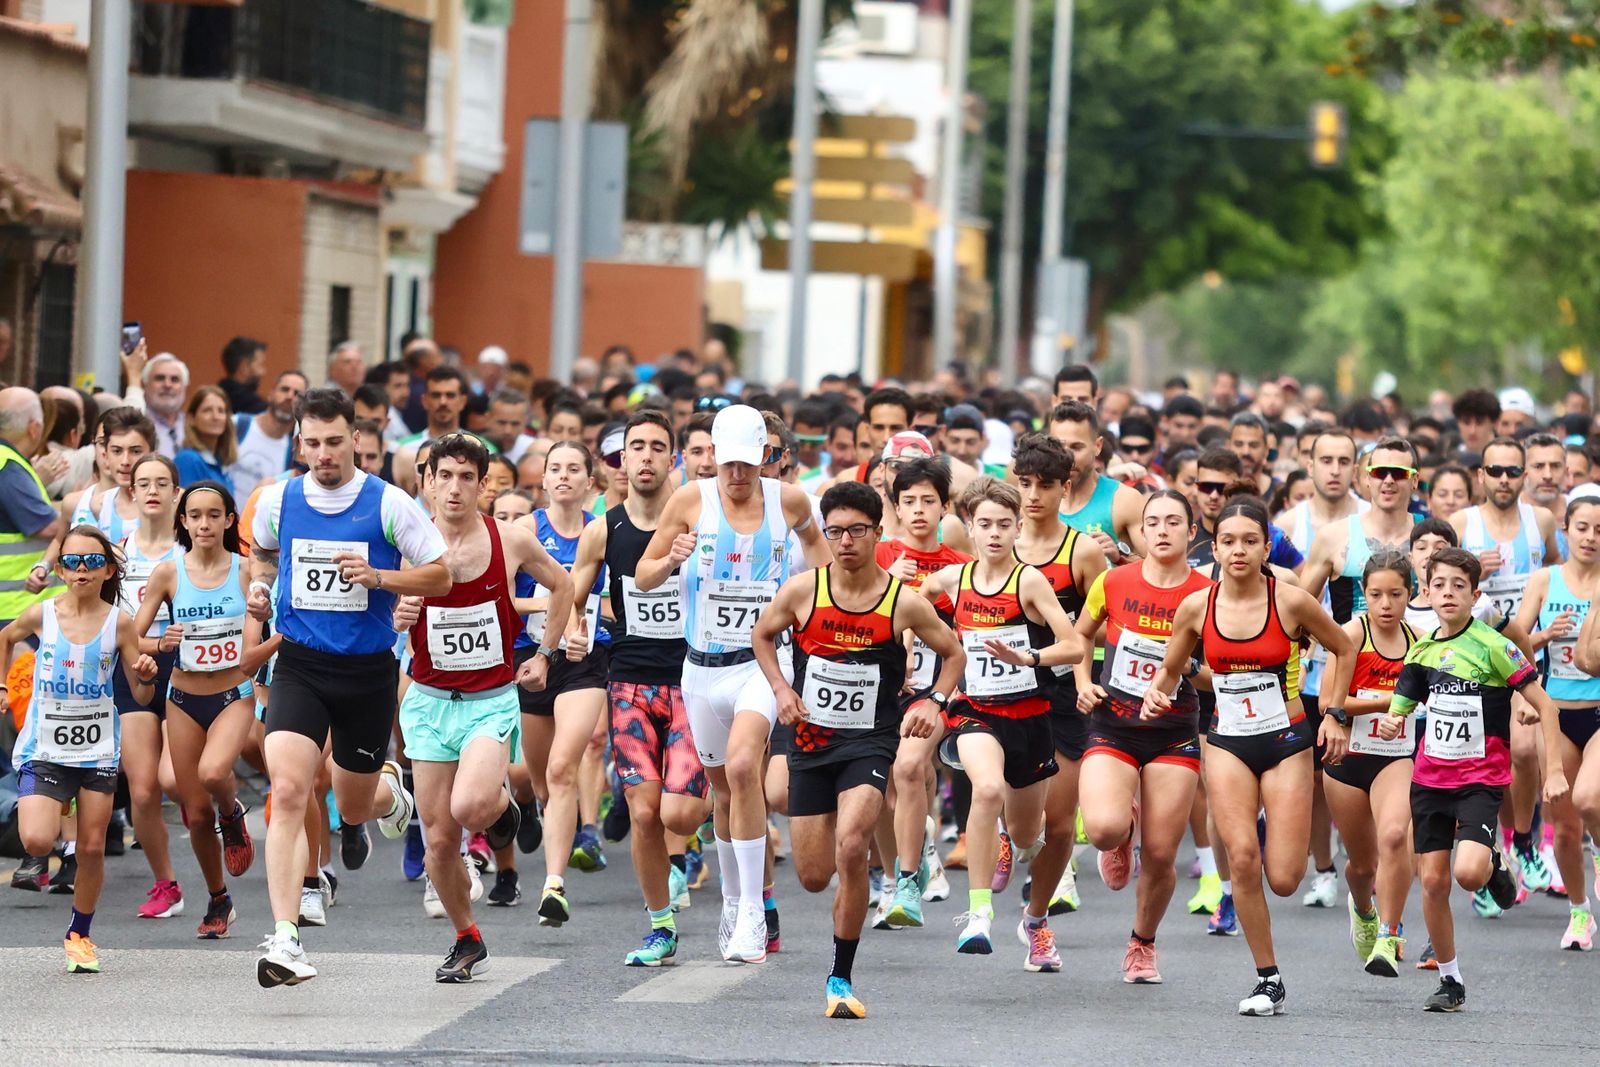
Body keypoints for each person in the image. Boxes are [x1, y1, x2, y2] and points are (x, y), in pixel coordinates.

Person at [247, 388, 455, 988]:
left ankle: (392, 797)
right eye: (312, 443)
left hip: (366, 672)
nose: (324, 454)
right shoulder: (278, 500)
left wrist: (380, 577)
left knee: (356, 805)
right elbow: (261, 553)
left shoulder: (388, 503)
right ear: (299, 444)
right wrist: (260, 586)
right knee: (290, 789)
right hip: (299, 664)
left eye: (335, 441)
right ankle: (285, 937)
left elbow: (441, 574)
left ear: (356, 440)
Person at [752, 480, 965, 1018]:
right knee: (813, 875)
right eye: (836, 531)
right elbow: (762, 634)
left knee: (851, 846)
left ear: (877, 532)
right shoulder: (804, 591)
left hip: (870, 742)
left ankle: (840, 979)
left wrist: (934, 701)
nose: (845, 541)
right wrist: (781, 689)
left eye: (857, 530)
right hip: (810, 740)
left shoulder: (903, 602)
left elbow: (954, 654)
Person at [1144, 498, 1355, 1017]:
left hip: (1285, 740)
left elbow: (1344, 647)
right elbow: (1172, 668)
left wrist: (1335, 714)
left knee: (1283, 878)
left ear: (1266, 549)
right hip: (1228, 741)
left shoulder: (1292, 601)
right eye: (1228, 542)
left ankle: (1281, 840)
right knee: (1241, 858)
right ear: (1214, 549)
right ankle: (1268, 978)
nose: (1239, 550)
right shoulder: (1197, 607)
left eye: (1250, 541)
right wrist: (1157, 692)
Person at [635, 404, 830, 964]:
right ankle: (734, 898)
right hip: (701, 670)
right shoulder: (689, 501)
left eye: (750, 462)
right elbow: (643, 577)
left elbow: (824, 568)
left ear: (766, 456)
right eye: (729, 464)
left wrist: (816, 610)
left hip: (762, 664)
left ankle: (752, 914)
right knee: (723, 790)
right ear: (714, 456)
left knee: (745, 767)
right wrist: (670, 560)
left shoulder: (790, 502)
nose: (739, 475)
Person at [391, 432, 570, 982]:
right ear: (426, 482)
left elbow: (563, 586)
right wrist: (396, 617)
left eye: (466, 477)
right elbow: (376, 608)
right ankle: (467, 937)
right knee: (439, 841)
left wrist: (545, 655)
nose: (454, 488)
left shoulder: (510, 539)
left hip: (489, 702)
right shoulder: (405, 542)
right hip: (428, 701)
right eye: (444, 476)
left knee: (470, 808)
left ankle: (501, 807)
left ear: (483, 486)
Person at [1376, 547, 1567, 1012]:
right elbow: (1400, 709)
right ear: (1426, 593)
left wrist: (1555, 771)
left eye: (1459, 586)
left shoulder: (1493, 646)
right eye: (1439, 585)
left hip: (1480, 780)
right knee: (1433, 882)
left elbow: (1545, 706)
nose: (1448, 593)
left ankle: (1493, 864)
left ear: (1475, 595)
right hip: (1429, 780)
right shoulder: (1421, 651)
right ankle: (1450, 980)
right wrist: (1391, 723)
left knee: (1466, 874)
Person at [916, 477, 1085, 956]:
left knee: (1032, 837)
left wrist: (1028, 658)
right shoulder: (954, 579)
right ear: (969, 526)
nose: (994, 533)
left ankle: (1023, 881)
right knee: (987, 789)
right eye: (985, 524)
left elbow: (1073, 646)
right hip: (977, 712)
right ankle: (979, 914)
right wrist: (911, 648)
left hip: (1030, 717)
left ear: (1018, 529)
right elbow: (917, 599)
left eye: (1004, 525)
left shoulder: (1028, 581)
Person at [566, 410, 710, 966]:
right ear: (622, 460)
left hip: (693, 681)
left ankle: (712, 800)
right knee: (644, 812)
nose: (646, 456)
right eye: (636, 447)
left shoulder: (701, 523)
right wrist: (571, 635)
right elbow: (574, 594)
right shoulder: (604, 529)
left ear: (672, 459)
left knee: (680, 815)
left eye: (656, 447)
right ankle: (660, 926)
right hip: (629, 684)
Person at [0, 525, 158, 972]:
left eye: (92, 561)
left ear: (108, 570)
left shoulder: (119, 623)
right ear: (60, 570)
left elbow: (140, 695)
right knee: (36, 838)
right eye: (71, 561)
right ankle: (59, 802)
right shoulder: (42, 614)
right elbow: (6, 637)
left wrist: (145, 676)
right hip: (46, 748)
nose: (82, 569)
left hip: (97, 748)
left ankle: (79, 935)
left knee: (90, 849)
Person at [1074, 491, 1213, 984]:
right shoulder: (1113, 581)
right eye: (1152, 521)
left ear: (1191, 532)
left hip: (1173, 733)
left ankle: (1142, 943)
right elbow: (1080, 635)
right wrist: (1083, 682)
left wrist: (1181, 668)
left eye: (1173, 522)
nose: (1161, 530)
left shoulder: (1208, 594)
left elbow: (1218, 677)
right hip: (1113, 725)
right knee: (1102, 829)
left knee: (1160, 853)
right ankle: (1122, 831)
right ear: (1141, 530)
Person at [134, 480, 270, 939]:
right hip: (183, 698)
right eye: (195, 516)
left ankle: (231, 813)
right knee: (194, 812)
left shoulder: (245, 570)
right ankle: (218, 898)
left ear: (229, 520)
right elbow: (133, 637)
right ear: (184, 521)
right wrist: (160, 643)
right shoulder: (168, 573)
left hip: (233, 693)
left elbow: (264, 625)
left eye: (214, 515)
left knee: (213, 773)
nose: (204, 524)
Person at [1299, 436, 1423, 906]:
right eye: (1379, 472)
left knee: (1399, 817)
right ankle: (1326, 870)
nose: (1388, 481)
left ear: (1414, 480)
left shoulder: (1429, 536)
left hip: (1408, 674)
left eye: (1398, 473)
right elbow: (1301, 608)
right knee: (1320, 783)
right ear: (1365, 478)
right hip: (1336, 680)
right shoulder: (1335, 536)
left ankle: (1395, 910)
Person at [1010, 434, 1105, 954]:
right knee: (1010, 809)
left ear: (1065, 488)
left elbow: (1099, 627)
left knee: (1062, 824)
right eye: (1024, 483)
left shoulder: (1081, 552)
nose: (1033, 495)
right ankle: (1004, 834)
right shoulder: (997, 543)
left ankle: (1036, 919)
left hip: (1064, 693)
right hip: (1002, 691)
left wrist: (1086, 679)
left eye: (1045, 485)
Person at [512, 441, 610, 924]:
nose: (565, 476)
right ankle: (542, 812)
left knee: (561, 769)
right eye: (556, 469)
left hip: (584, 662)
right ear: (544, 480)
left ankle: (554, 886)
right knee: (541, 783)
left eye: (575, 469)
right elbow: (504, 601)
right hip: (532, 661)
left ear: (590, 481)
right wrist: (555, 603)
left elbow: (616, 599)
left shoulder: (602, 531)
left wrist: (587, 623)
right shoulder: (525, 531)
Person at [1323, 552, 1420, 978]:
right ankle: (1363, 909)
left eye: (1395, 594)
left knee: (1395, 837)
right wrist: (1388, 702)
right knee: (1363, 865)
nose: (1385, 604)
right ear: (1364, 593)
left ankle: (1388, 933)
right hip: (1347, 758)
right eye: (1376, 594)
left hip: (1395, 757)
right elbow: (1330, 702)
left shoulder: (1420, 643)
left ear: (1410, 594)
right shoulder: (1350, 634)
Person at [880, 458, 967, 923]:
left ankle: (907, 882)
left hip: (936, 688)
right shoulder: (877, 555)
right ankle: (908, 859)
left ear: (944, 507)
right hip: (876, 689)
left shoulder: (961, 566)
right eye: (908, 501)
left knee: (910, 766)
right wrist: (886, 583)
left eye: (928, 501)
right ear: (895, 507)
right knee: (885, 787)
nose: (918, 510)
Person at [1518, 495, 1600, 950]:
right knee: (1566, 828)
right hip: (1556, 713)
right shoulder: (1544, 580)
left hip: (1599, 710)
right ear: (1566, 530)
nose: (1590, 537)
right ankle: (1580, 912)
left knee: (1589, 797)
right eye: (1582, 527)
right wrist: (1545, 636)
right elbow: (1513, 644)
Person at [116, 454, 186, 920]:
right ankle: (166, 884)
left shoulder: (189, 549)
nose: (153, 491)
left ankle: (224, 807)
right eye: (144, 484)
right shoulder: (119, 552)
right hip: (133, 668)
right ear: (133, 492)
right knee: (142, 792)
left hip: (185, 667)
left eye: (162, 483)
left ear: (177, 493)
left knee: (176, 781)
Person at [1045, 402, 1146, 564]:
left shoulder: (1125, 500)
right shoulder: (1036, 500)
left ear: (1098, 446)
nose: (1067, 457)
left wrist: (1119, 557)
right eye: (1059, 447)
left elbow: (1158, 569)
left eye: (1076, 447)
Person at [0, 388, 66, 626]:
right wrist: (83, 508)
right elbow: (47, 526)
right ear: (34, 428)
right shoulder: (8, 466)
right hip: (17, 607)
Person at [233, 371, 306, 498]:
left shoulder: (293, 453)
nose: (290, 396)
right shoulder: (236, 425)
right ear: (270, 394)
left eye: (297, 394)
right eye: (284, 389)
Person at [174, 386, 240, 493]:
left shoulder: (220, 463)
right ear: (191, 418)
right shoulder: (188, 460)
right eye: (207, 410)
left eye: (221, 411)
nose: (215, 417)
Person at [219, 337, 268, 416]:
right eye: (260, 365)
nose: (263, 372)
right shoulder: (257, 409)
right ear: (244, 367)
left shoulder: (213, 397)